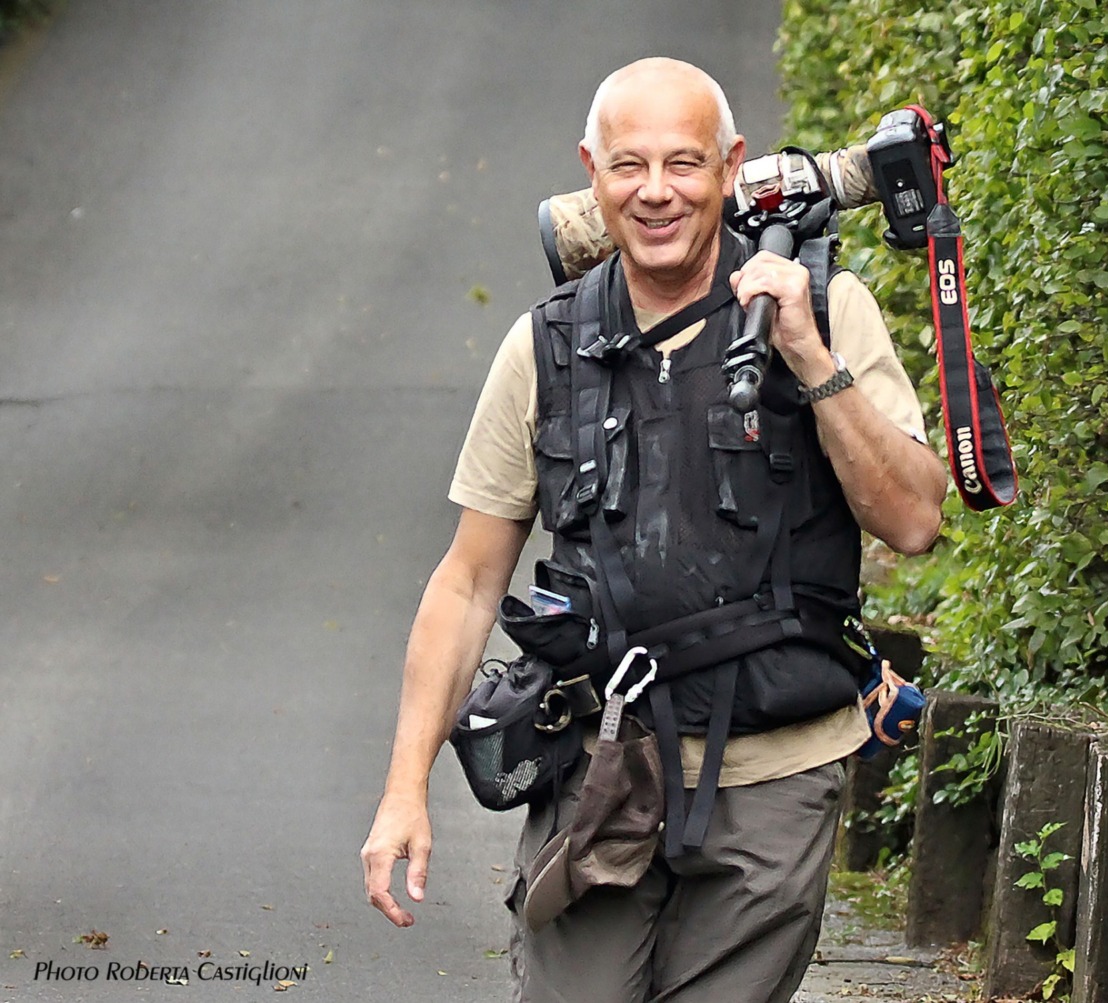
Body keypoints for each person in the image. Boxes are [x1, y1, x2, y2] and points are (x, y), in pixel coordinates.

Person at [360, 57, 947, 1002]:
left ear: (731, 166)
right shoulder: (545, 343)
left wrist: (807, 355)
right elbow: (468, 582)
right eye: (630, 166)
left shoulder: (826, 307)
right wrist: (403, 788)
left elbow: (915, 517)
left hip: (776, 772)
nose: (658, 192)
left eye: (684, 162)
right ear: (590, 172)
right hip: (596, 771)